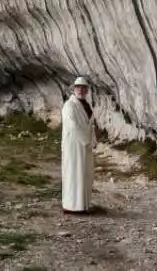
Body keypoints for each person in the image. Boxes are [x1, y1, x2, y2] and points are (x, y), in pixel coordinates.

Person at [61, 76, 95, 213]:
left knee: (85, 174)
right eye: (78, 87)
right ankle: (71, 206)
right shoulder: (69, 105)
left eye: (84, 87)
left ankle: (83, 205)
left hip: (84, 144)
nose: (81, 89)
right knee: (73, 173)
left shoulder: (86, 105)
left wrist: (92, 140)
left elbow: (91, 125)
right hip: (74, 145)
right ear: (74, 89)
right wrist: (86, 141)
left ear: (87, 90)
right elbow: (72, 126)